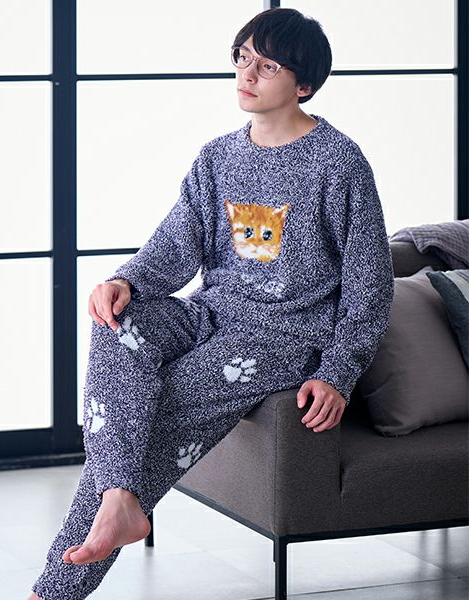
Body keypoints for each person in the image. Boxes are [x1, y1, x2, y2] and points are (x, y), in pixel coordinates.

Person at [29, 7, 394, 600]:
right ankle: (119, 500)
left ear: (303, 84)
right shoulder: (217, 157)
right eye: (242, 58)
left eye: (267, 66)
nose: (247, 74)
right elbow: (177, 246)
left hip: (283, 336)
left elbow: (369, 283)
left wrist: (337, 372)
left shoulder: (339, 162)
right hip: (211, 313)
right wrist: (126, 282)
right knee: (118, 322)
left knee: (152, 409)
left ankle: (53, 591)